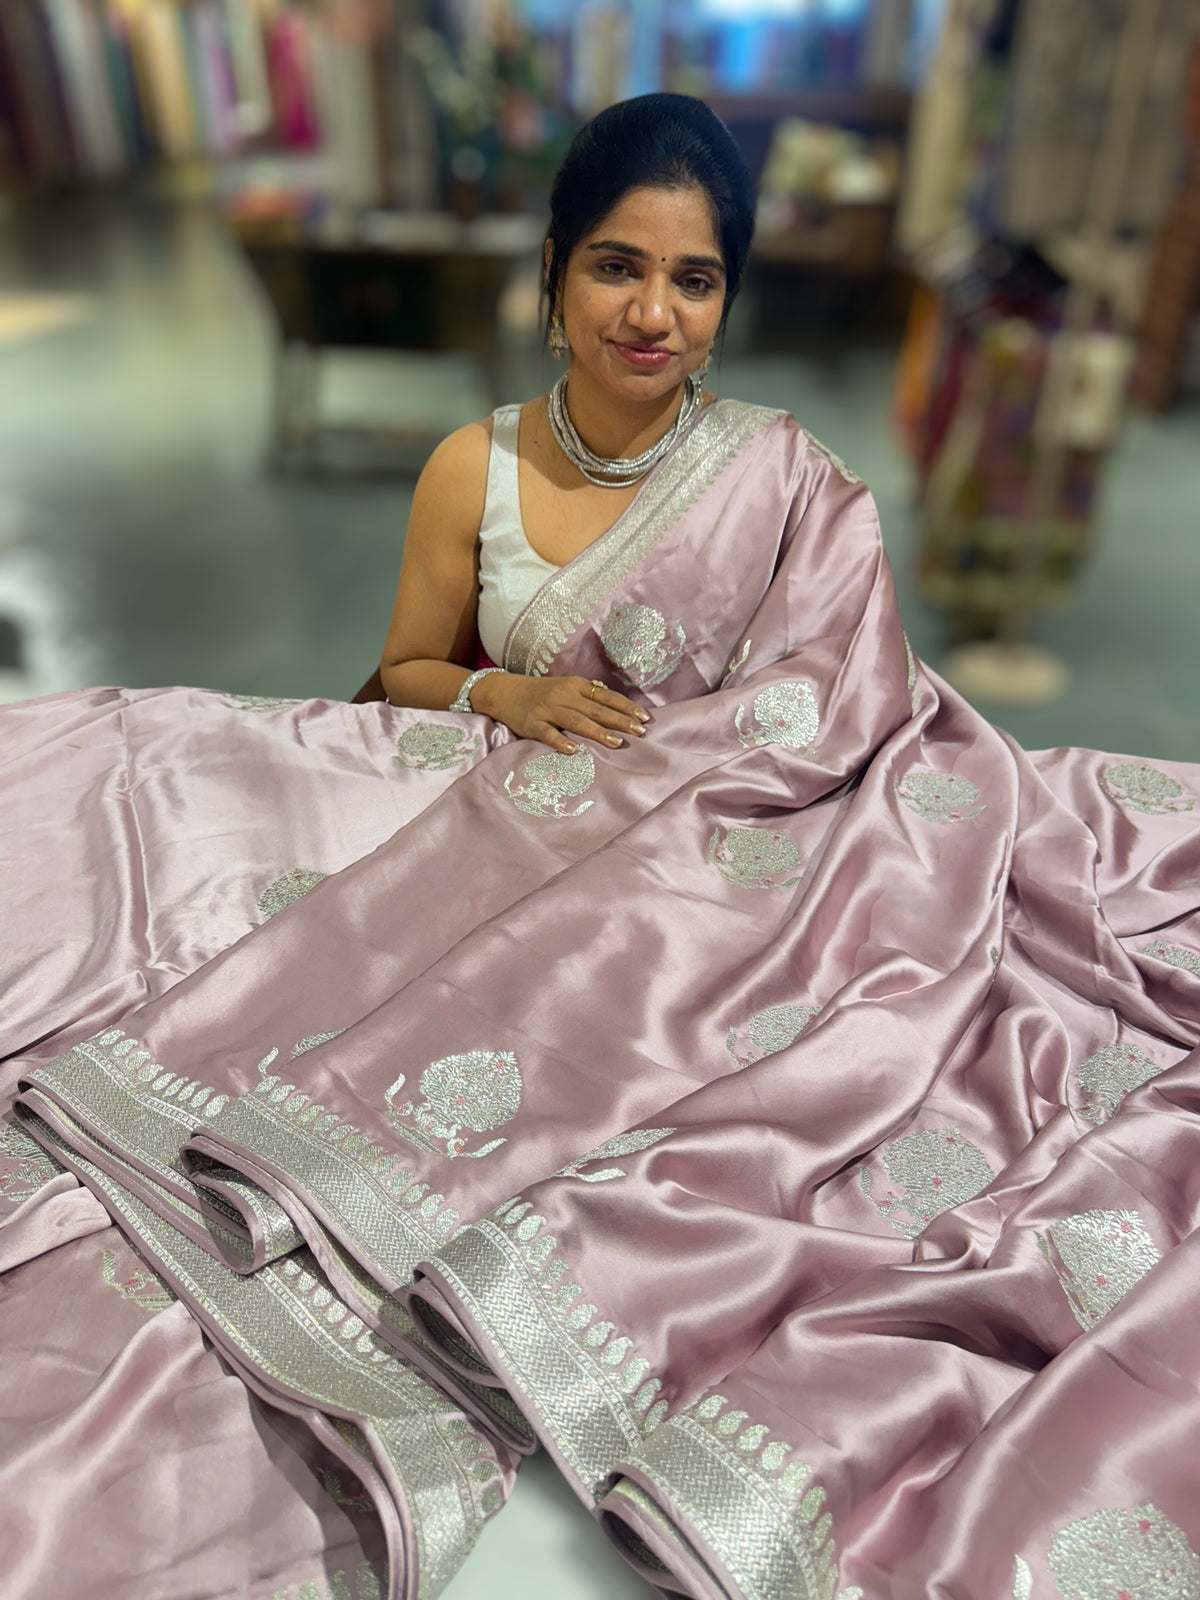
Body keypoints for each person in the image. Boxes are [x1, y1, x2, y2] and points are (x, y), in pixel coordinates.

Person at [2, 93, 1200, 1600]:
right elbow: (399, 682)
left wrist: (696, 780)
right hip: (503, 823)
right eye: (616, 267)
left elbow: (843, 710)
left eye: (694, 279)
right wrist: (506, 690)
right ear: (556, 271)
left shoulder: (790, 487)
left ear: (726, 299)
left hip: (720, 876)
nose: (653, 311)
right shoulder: (474, 468)